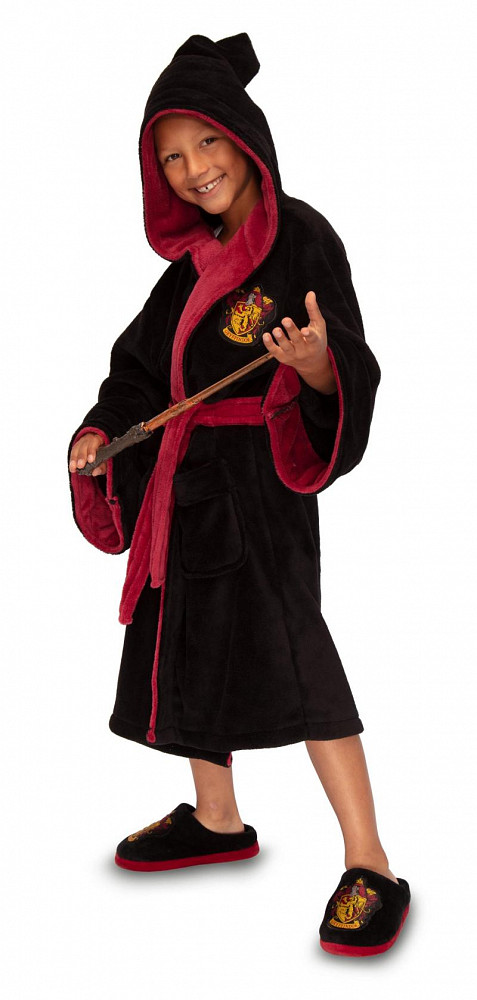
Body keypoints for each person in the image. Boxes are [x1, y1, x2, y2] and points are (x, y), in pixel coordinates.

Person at [67, 32, 411, 955]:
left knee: (299, 655)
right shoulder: (186, 271)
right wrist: (101, 430)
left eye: (206, 143)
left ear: (244, 137)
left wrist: (318, 367)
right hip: (183, 489)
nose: (193, 170)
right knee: (187, 642)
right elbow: (138, 375)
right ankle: (217, 819)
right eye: (171, 158)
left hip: (261, 485)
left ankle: (370, 861)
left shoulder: (301, 237)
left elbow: (348, 353)